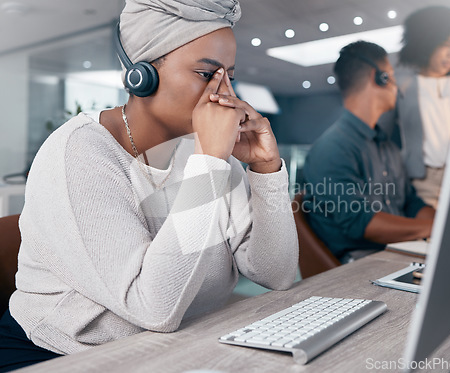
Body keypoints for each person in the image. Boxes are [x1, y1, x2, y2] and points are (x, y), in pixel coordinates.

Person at [0, 0, 299, 370]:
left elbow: (277, 273)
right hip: (61, 356)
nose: (227, 96)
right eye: (207, 74)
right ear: (141, 76)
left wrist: (266, 170)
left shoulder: (207, 152)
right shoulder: (79, 152)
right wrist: (209, 164)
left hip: (174, 349)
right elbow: (154, 307)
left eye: (230, 77)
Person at [302, 41, 435, 264]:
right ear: (379, 77)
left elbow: (411, 203)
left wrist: (441, 223)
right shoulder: (331, 149)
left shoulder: (388, 147)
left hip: (399, 254)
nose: (397, 86)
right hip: (362, 264)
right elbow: (361, 223)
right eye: (391, 75)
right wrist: (432, 228)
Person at [380, 6, 450, 208]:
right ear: (427, 42)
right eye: (446, 44)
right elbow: (381, 134)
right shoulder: (403, 84)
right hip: (423, 180)